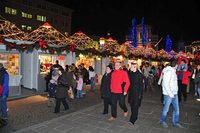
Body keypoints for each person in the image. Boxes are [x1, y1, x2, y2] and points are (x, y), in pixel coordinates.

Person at [160, 60, 184, 128]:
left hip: (174, 93)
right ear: (176, 65)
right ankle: (163, 121)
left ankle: (175, 122)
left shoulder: (173, 71)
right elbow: (166, 84)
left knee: (176, 109)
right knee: (166, 108)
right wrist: (171, 94)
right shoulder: (169, 72)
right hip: (169, 94)